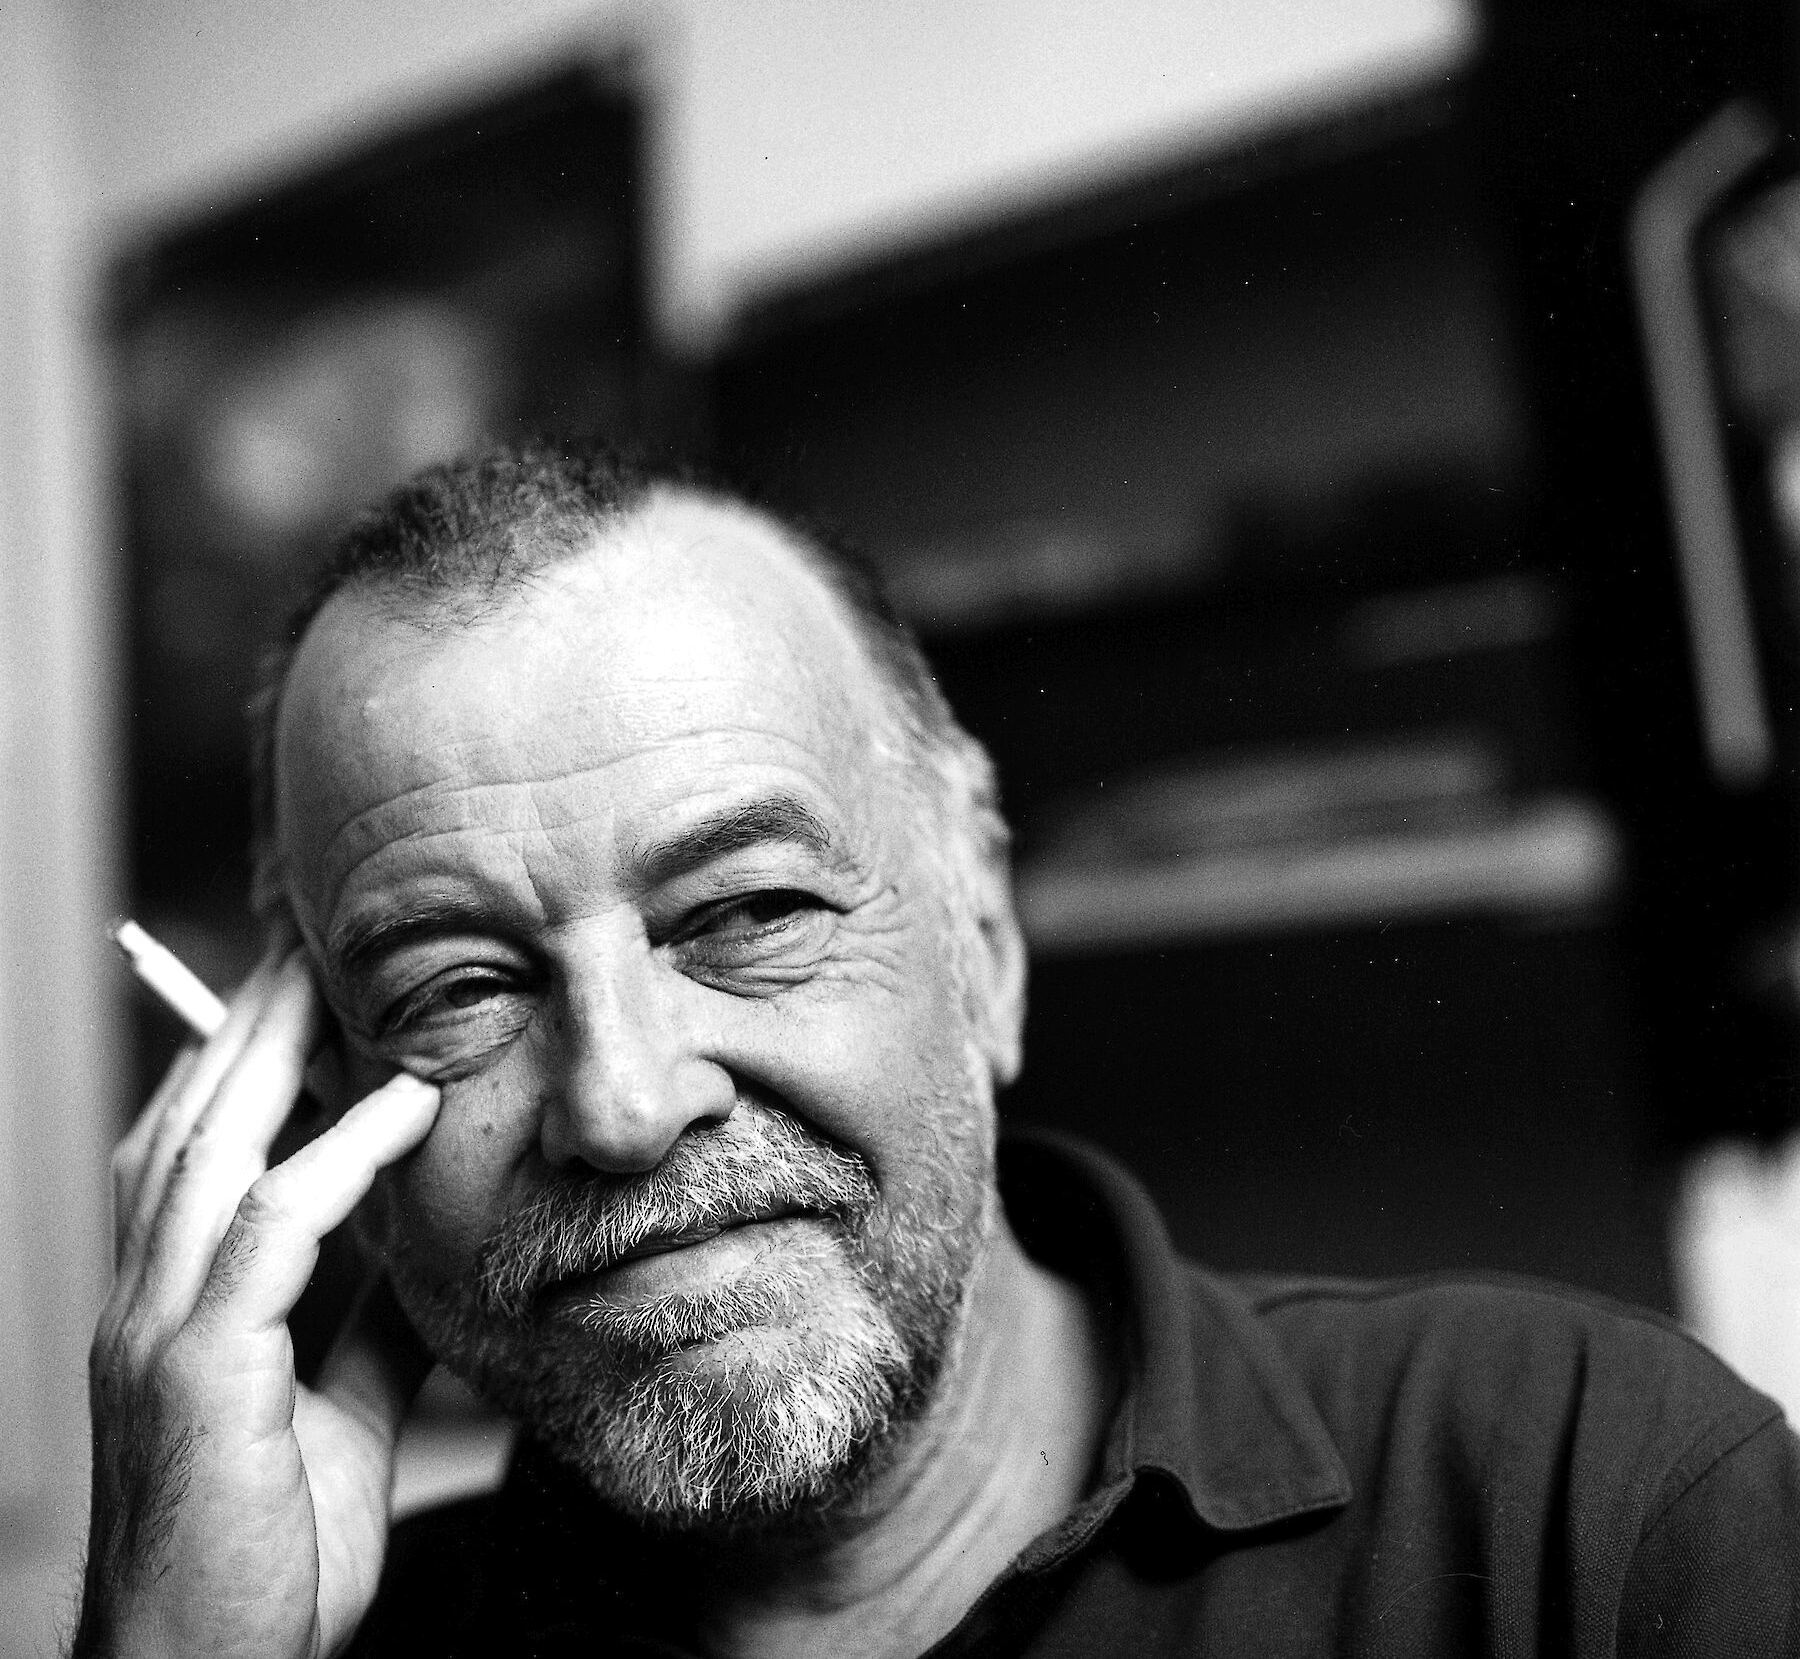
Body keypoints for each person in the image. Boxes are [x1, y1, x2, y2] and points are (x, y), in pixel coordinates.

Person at [77, 441, 1800, 1659]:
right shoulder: (307, 1640)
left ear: (984, 934)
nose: (622, 1100)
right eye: (458, 989)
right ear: (314, 1102)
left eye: (749, 909)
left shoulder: (1590, 1507)